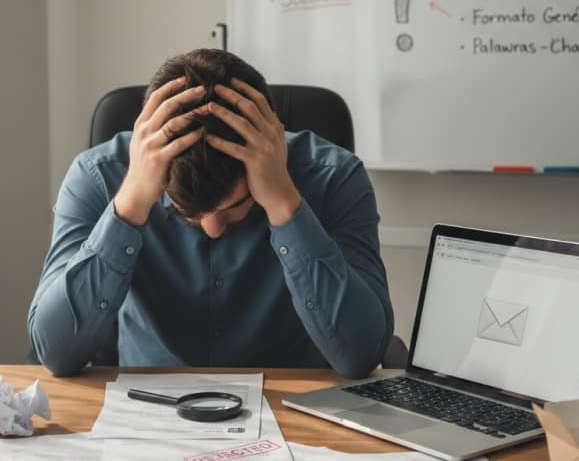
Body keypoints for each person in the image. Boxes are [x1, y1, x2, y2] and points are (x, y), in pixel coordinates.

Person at [28, 49, 393, 378]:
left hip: (295, 410)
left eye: (234, 207)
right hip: (147, 413)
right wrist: (131, 204)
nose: (214, 228)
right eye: (187, 212)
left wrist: (284, 204)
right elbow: (56, 352)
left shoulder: (335, 178)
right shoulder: (99, 175)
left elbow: (360, 354)